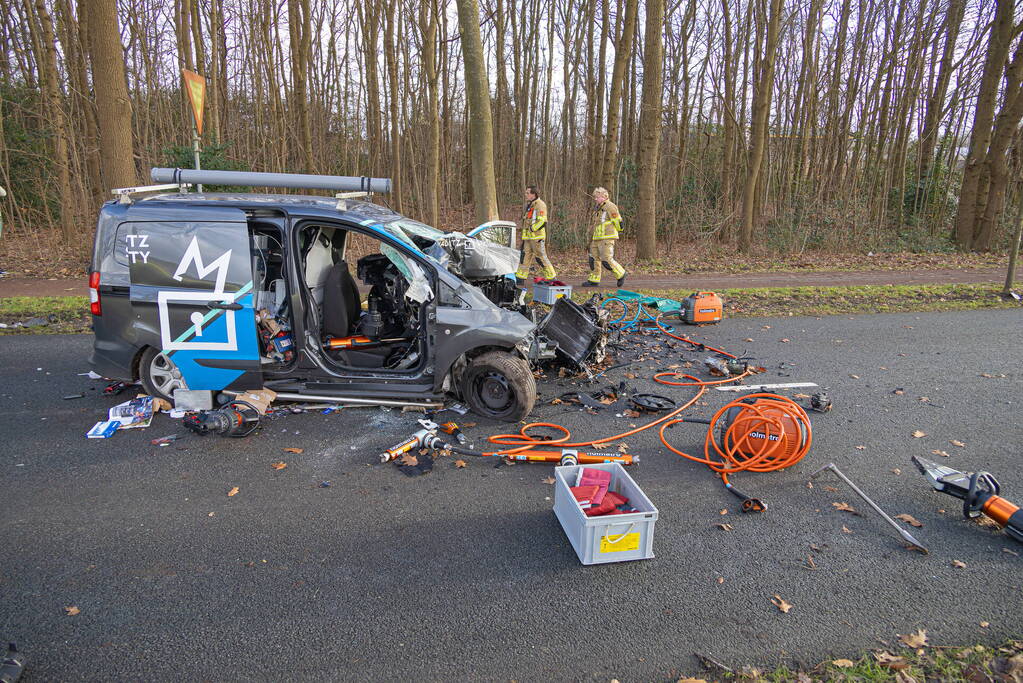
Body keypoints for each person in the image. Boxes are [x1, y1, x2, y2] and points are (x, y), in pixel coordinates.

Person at [582, 186, 627, 287]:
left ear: (604, 196)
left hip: (607, 237)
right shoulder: (598, 208)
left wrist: (620, 230)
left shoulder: (610, 206)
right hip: (597, 238)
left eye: (597, 197)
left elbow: (618, 221)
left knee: (606, 260)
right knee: (593, 259)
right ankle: (594, 279)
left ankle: (621, 274)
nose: (595, 199)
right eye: (595, 197)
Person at [515, 185, 556, 282]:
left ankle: (552, 277)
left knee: (540, 257)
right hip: (529, 238)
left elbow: (542, 221)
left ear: (534, 194)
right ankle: (520, 277)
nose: (526, 195)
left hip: (537, 237)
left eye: (528, 193)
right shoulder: (531, 205)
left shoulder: (540, 205)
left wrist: (532, 229)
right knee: (525, 256)